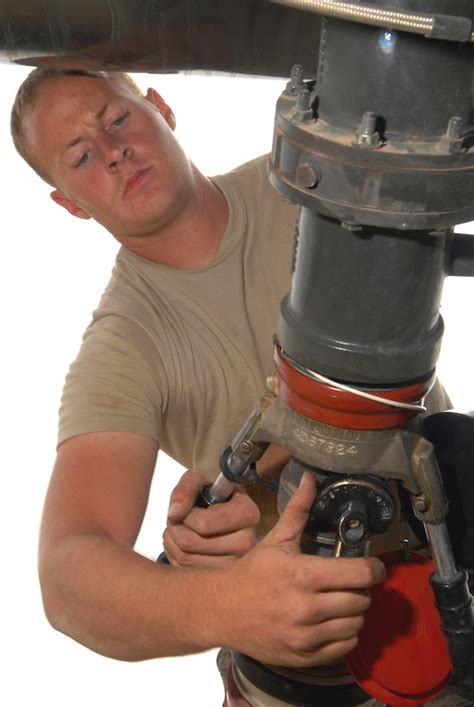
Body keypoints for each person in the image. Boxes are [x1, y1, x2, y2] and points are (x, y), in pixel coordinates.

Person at [11, 68, 455, 705]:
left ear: (160, 106)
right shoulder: (122, 347)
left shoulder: (312, 187)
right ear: (70, 202)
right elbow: (68, 579)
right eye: (81, 156)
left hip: (449, 587)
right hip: (300, 678)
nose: (114, 153)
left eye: (116, 119)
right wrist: (225, 604)